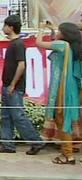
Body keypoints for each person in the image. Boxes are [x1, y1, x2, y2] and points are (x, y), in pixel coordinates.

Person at [0, 15, 45, 155]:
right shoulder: (14, 44)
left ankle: (36, 141)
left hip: (14, 86)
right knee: (6, 115)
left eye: (5, 25)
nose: (3, 28)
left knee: (18, 115)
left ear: (11, 27)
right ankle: (7, 143)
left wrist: (12, 85)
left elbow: (21, 65)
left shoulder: (18, 44)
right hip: (8, 85)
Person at [37, 22, 82, 165]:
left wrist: (41, 29)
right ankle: (68, 151)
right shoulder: (72, 47)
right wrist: (51, 30)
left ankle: (67, 155)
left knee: (63, 121)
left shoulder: (62, 45)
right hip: (73, 88)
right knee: (67, 120)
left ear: (64, 34)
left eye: (59, 31)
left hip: (62, 89)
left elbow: (39, 43)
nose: (57, 33)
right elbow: (54, 42)